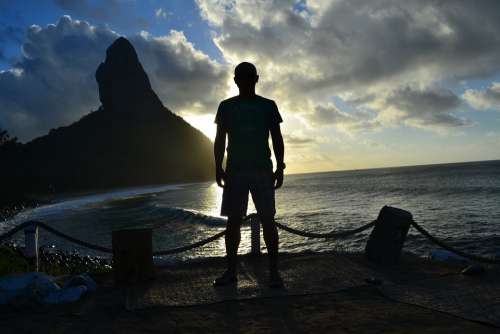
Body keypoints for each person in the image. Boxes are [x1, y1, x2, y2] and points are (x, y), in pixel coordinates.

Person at [213, 62, 285, 288]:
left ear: (255, 79)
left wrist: (280, 166)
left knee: (255, 221)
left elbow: (277, 137)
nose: (244, 81)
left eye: (247, 77)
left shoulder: (266, 106)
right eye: (242, 77)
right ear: (236, 80)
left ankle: (266, 273)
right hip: (242, 171)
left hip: (254, 170)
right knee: (252, 221)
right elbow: (220, 139)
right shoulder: (228, 106)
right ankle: (255, 273)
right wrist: (218, 166)